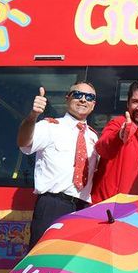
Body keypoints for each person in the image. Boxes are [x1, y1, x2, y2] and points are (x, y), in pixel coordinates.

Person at [16, 82, 98, 247]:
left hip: (82, 209)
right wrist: (33, 115)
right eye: (77, 94)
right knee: (43, 261)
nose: (83, 100)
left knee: (70, 266)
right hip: (53, 205)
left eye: (89, 97)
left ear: (93, 104)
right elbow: (23, 142)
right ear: (67, 98)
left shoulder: (94, 138)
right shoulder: (50, 126)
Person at [91, 79, 138, 202]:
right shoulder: (118, 124)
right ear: (128, 103)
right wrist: (119, 136)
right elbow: (102, 147)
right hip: (107, 205)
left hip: (136, 209)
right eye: (135, 102)